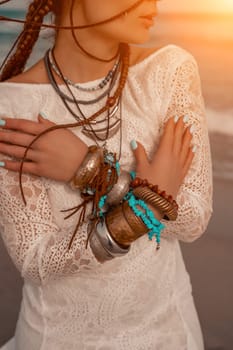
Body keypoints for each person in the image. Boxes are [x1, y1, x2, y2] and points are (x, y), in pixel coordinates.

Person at [0, 0, 213, 349]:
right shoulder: (11, 106)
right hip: (56, 340)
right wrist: (148, 198)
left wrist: (94, 172)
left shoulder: (169, 71)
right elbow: (35, 261)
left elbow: (192, 219)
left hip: (167, 333)